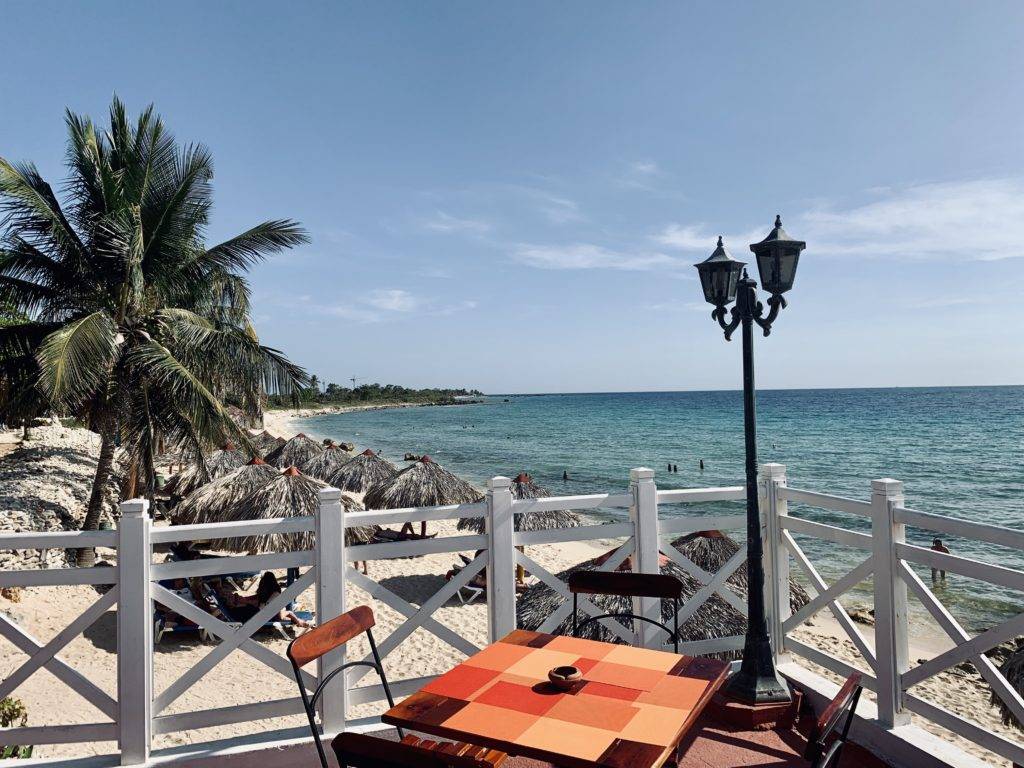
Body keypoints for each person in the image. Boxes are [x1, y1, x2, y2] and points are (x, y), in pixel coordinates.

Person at [227, 572, 314, 628]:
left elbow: (256, 599)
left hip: (253, 613)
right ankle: (300, 622)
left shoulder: (266, 592)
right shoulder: (274, 594)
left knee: (239, 607)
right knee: (289, 612)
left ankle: (300, 622)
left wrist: (242, 600)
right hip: (258, 615)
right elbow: (279, 616)